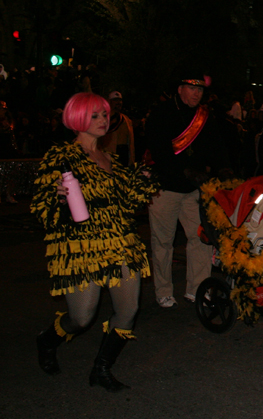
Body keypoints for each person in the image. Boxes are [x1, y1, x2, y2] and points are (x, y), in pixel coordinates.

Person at [31, 92, 159, 391]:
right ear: (77, 120)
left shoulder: (111, 159)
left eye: (104, 114)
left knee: (128, 310)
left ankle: (101, 369)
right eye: (95, 116)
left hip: (121, 244)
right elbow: (41, 207)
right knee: (81, 317)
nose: (103, 120)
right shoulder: (61, 158)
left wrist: (142, 181)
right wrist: (57, 198)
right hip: (82, 249)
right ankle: (47, 340)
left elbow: (125, 205)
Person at [145, 69, 231, 308]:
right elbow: (159, 151)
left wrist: (223, 168)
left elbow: (217, 145)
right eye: (192, 88)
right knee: (163, 242)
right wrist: (184, 170)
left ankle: (198, 289)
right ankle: (163, 290)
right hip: (166, 188)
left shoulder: (205, 116)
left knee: (201, 239)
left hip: (194, 190)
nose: (197, 94)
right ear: (180, 89)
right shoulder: (161, 113)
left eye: (200, 89)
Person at [98, 91, 136, 166]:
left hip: (123, 155)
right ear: (109, 102)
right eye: (115, 100)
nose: (118, 102)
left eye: (120, 100)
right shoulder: (104, 119)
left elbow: (131, 142)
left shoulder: (126, 120)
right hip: (109, 154)